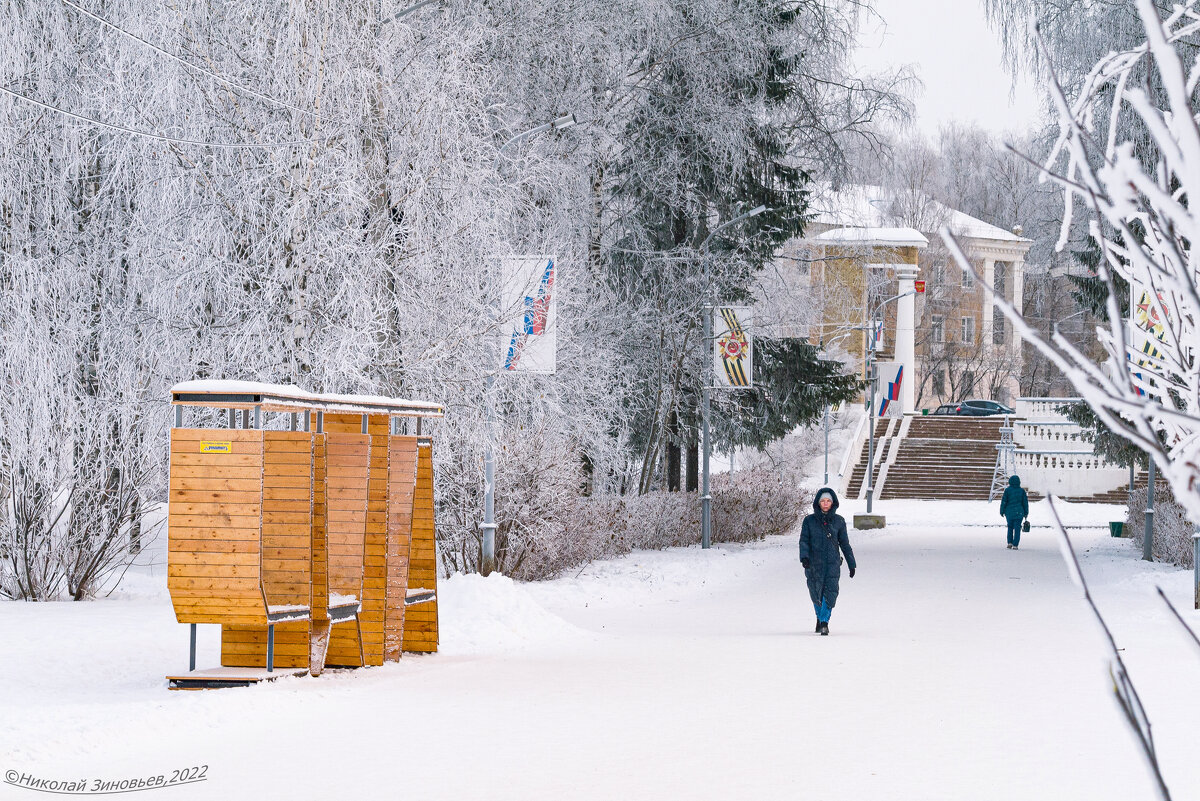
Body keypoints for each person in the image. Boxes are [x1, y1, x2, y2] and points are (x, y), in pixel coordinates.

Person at [798, 487, 856, 635]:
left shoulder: (839, 521)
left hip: (832, 563)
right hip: (813, 564)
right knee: (815, 592)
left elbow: (845, 544)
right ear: (818, 502)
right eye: (822, 501)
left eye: (828, 501)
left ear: (833, 503)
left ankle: (824, 622)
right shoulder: (809, 521)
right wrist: (804, 557)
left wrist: (851, 564)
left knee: (830, 592)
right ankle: (819, 616)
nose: (825, 503)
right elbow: (804, 540)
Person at [999, 474, 1030, 550]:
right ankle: (1015, 544)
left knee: (1010, 527)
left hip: (1009, 512)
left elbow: (1004, 501)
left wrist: (1002, 511)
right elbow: (1025, 503)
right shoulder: (1022, 491)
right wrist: (1026, 513)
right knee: (1017, 528)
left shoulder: (1007, 490)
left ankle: (1009, 542)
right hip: (1019, 512)